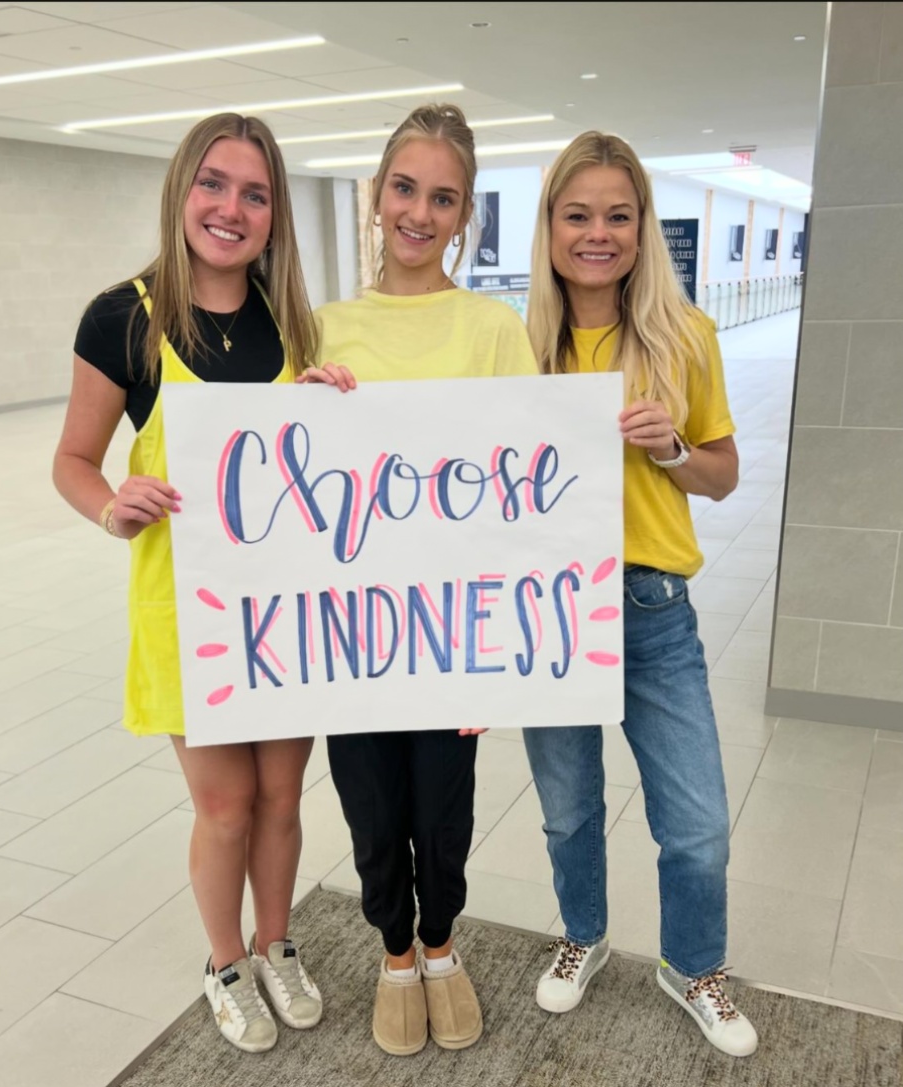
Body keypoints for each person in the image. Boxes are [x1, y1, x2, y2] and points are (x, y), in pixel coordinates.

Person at [52, 113, 323, 1055]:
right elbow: (75, 460)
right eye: (215, 183)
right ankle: (226, 963)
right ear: (181, 189)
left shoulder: (291, 318)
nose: (231, 207)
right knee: (225, 805)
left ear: (274, 215)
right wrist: (111, 504)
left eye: (255, 193)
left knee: (285, 799)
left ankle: (276, 940)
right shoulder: (122, 317)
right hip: (192, 615)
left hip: (287, 611)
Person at [301, 103, 539, 1056]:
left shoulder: (492, 329)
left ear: (464, 213)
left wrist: (501, 649)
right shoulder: (321, 325)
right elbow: (290, 489)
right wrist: (303, 412)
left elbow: (527, 493)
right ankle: (394, 952)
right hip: (352, 629)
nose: (419, 211)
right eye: (405, 188)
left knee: (443, 808)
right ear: (376, 195)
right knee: (370, 808)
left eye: (443, 197)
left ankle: (442, 943)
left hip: (449, 629)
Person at [521, 131, 759, 1058]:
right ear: (549, 226)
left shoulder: (683, 336)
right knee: (568, 808)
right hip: (550, 611)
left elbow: (725, 474)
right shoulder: (518, 345)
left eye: (619, 215)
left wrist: (669, 450)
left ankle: (692, 962)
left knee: (696, 821)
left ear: (643, 227)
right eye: (577, 214)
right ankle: (583, 933)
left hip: (654, 609)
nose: (598, 233)